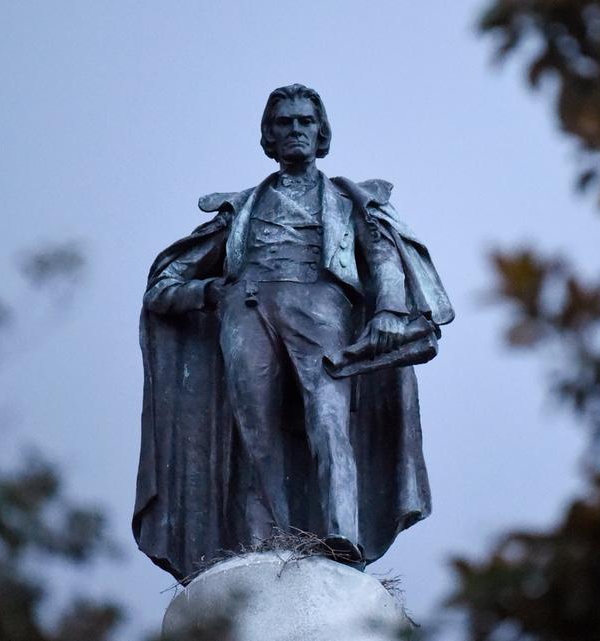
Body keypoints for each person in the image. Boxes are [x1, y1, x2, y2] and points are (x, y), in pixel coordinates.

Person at [133, 84, 453, 582]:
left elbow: (384, 253)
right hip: (248, 309)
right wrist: (212, 291)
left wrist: (389, 309)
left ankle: (341, 533)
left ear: (321, 134)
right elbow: (162, 288)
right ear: (270, 136)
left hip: (322, 309)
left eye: (306, 121)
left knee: (329, 422)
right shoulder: (239, 209)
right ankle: (265, 542)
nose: (296, 130)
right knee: (253, 432)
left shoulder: (349, 200)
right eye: (285, 123)